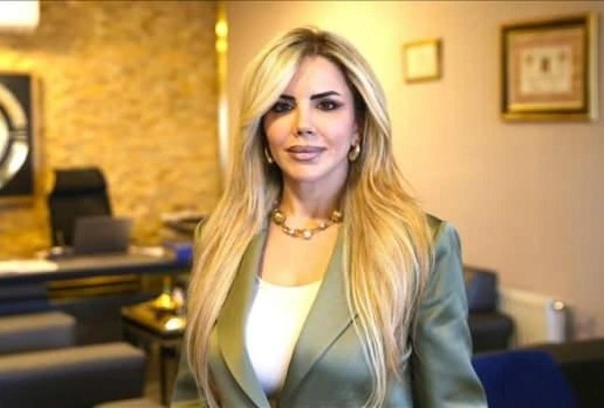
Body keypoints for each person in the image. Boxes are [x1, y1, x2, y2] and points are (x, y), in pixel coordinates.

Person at [172, 26, 486, 407]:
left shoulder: (421, 245)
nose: (302, 124)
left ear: (358, 126)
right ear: (262, 129)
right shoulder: (219, 237)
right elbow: (192, 394)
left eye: (327, 105)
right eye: (282, 106)